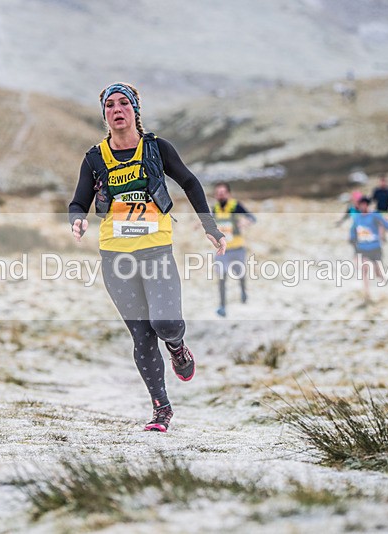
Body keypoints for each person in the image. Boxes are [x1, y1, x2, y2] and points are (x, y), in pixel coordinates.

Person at [68, 83, 226, 432]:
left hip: (156, 249)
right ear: (104, 114)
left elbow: (190, 182)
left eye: (124, 103)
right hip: (115, 256)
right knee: (141, 336)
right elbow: (78, 201)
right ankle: (161, 409)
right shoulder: (95, 158)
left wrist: (210, 226)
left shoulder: (156, 148)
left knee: (166, 324)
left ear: (135, 110)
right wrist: (76, 218)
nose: (117, 109)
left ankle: (178, 347)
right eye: (110, 105)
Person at [212, 182, 256, 317]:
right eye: (218, 193)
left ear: (229, 194)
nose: (220, 195)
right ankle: (222, 306)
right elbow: (210, 222)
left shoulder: (236, 206)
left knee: (240, 274)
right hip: (222, 250)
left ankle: (243, 292)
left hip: (238, 248)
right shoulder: (215, 208)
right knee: (222, 277)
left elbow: (252, 218)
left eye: (223, 193)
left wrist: (245, 222)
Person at [349, 196, 388, 301]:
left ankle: (385, 282)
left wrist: (385, 225)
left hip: (375, 247)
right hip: (363, 248)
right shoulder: (357, 218)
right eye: (361, 205)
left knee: (377, 272)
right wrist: (352, 240)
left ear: (367, 205)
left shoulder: (375, 215)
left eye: (364, 204)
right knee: (364, 268)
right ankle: (366, 292)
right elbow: (353, 231)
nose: (363, 206)